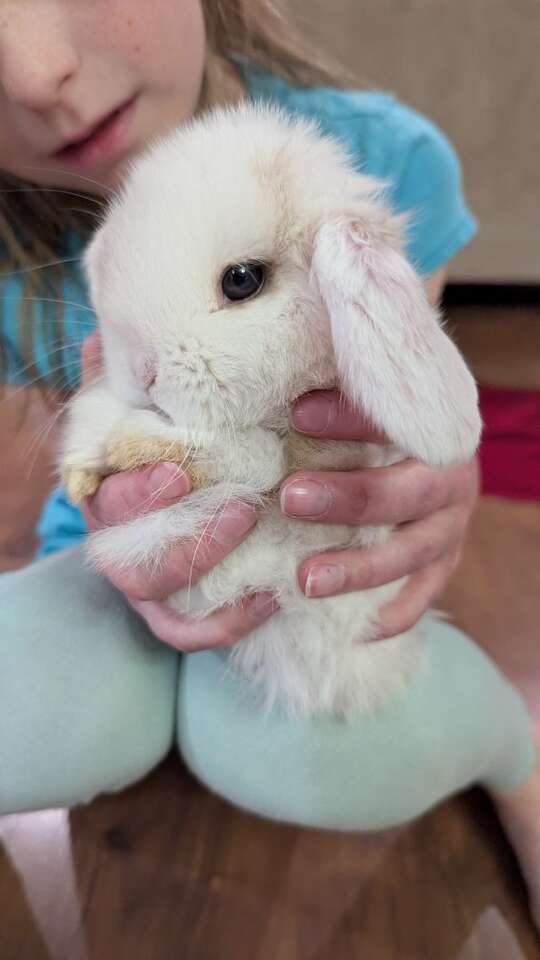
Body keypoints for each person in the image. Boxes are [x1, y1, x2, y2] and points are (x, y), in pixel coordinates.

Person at [1, 0, 539, 924]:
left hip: (304, 583)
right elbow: (74, 455)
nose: (35, 71)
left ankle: (517, 761)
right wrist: (110, 488)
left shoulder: (368, 169)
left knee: (319, 758)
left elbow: (407, 408)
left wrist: (435, 478)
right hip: (113, 568)